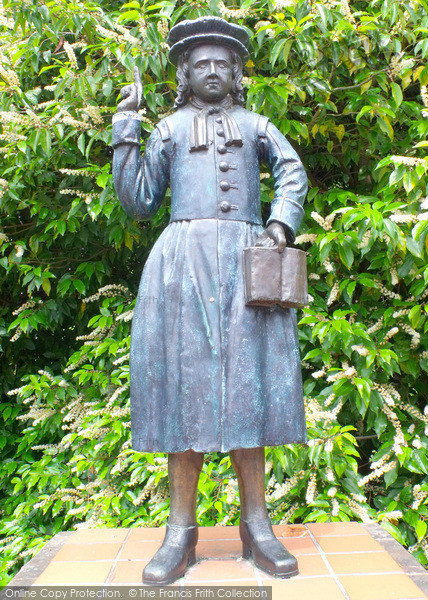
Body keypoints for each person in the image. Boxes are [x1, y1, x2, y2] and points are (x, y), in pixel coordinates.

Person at [112, 16, 308, 585]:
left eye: (224, 63)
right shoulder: (168, 129)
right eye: (202, 65)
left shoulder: (258, 124)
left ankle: (257, 526)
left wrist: (278, 225)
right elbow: (141, 201)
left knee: (252, 396)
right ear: (185, 74)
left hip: (248, 269)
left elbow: (291, 171)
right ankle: (180, 532)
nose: (214, 72)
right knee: (186, 399)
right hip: (182, 268)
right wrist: (127, 126)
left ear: (238, 72)